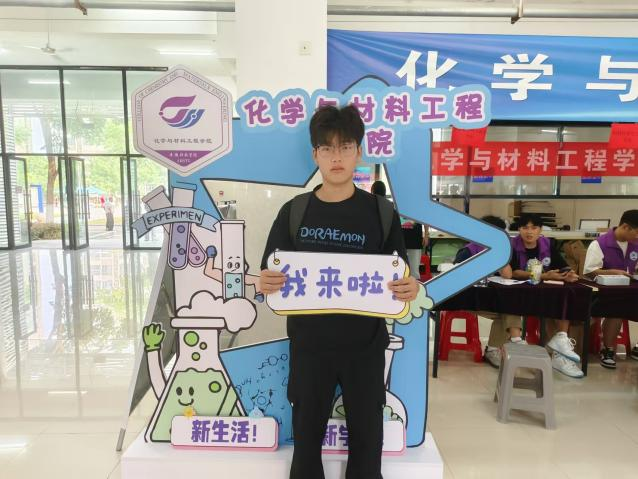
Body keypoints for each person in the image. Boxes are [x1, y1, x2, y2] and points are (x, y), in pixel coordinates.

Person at [259, 105, 419, 479]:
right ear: (315, 154)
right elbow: (272, 273)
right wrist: (265, 281)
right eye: (327, 148)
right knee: (306, 443)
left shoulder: (381, 213)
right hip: (309, 346)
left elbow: (399, 274)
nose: (336, 157)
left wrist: (409, 286)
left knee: (367, 441)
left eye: (345, 147)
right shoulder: (294, 212)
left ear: (359, 152)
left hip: (365, 346)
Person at [509, 213, 583, 378]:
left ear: (540, 230)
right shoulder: (512, 245)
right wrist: (544, 275)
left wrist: (568, 274)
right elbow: (514, 272)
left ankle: (561, 345)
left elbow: (562, 266)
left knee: (565, 295)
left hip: (545, 293)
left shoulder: (547, 244)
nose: (529, 232)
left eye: (534, 228)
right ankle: (523, 344)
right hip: (520, 294)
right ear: (519, 229)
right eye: (525, 227)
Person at [453, 215, 517, 368]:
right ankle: (514, 341)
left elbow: (508, 275)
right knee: (508, 309)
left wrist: (499, 253)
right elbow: (455, 277)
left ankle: (496, 348)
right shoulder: (468, 251)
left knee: (509, 308)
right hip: (468, 298)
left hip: (490, 299)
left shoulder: (500, 251)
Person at [583, 209, 638, 368]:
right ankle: (608, 349)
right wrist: (614, 272)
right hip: (605, 293)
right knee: (616, 308)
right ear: (626, 227)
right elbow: (589, 272)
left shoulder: (635, 244)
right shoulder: (600, 244)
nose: (637, 236)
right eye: (636, 232)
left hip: (630, 291)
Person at [371, 180, 427, 279]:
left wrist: (426, 234)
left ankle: (414, 287)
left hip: (414, 239)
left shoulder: (418, 204)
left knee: (414, 270)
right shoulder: (394, 204)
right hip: (399, 239)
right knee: (398, 268)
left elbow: (425, 218)